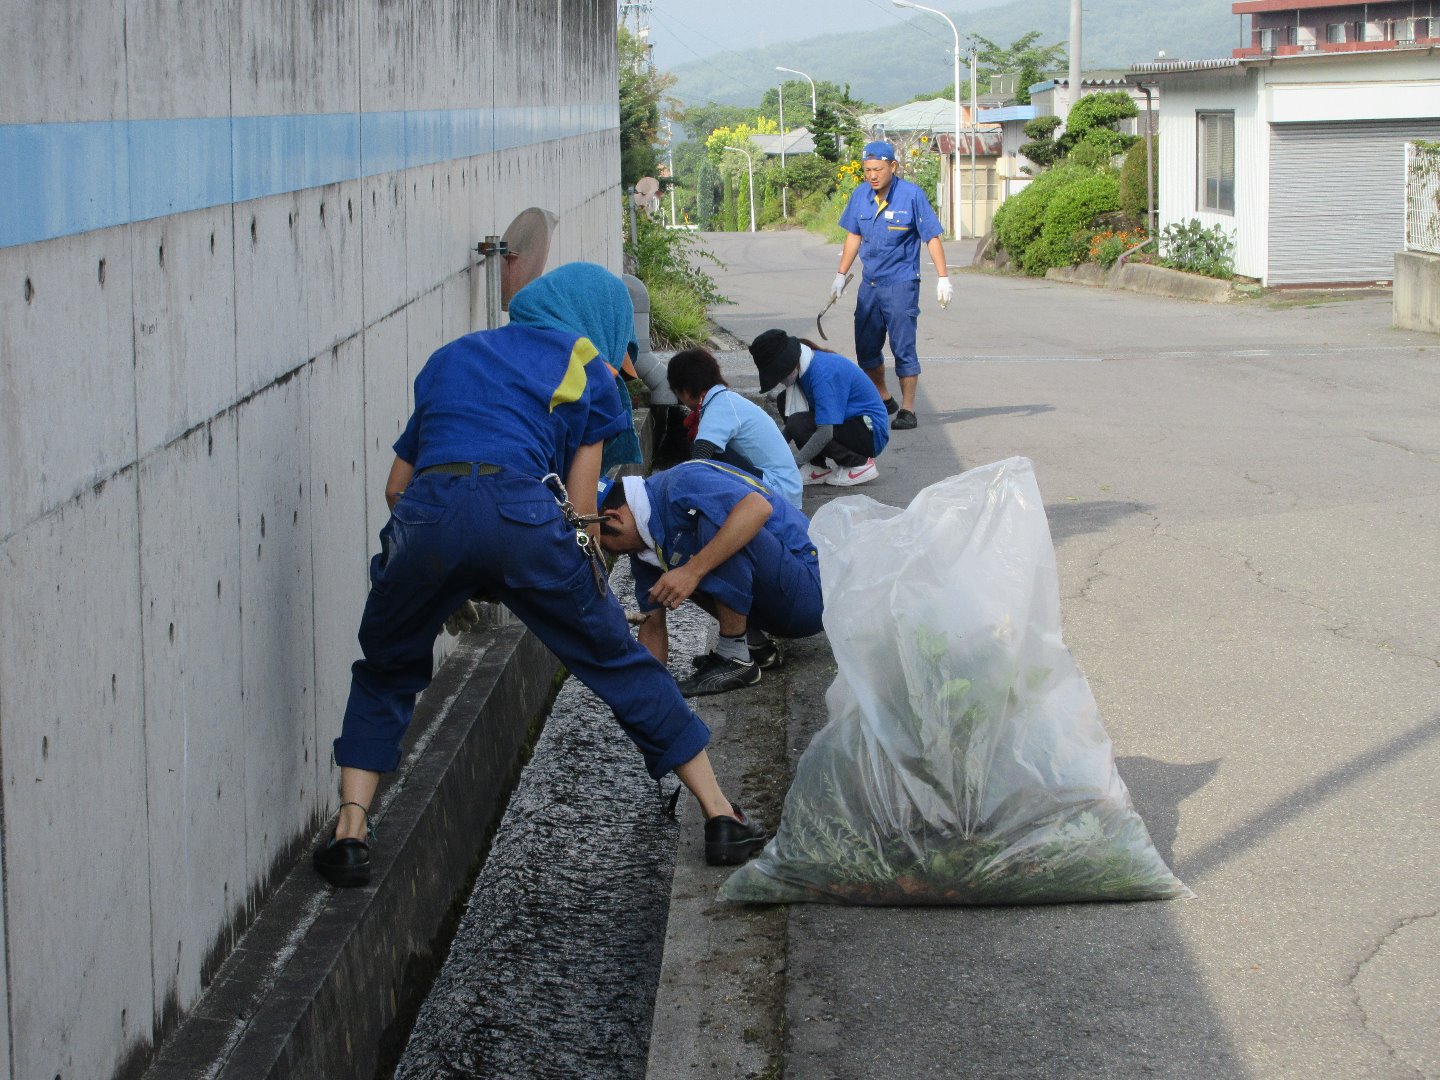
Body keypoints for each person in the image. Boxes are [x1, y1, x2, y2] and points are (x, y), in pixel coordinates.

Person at [312, 263, 767, 888]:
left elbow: (397, 488)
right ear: (599, 320)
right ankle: (720, 815)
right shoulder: (587, 365)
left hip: (427, 516)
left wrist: (448, 575)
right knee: (618, 665)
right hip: (524, 518)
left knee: (385, 669)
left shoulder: (452, 357)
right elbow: (581, 516)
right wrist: (580, 593)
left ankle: (351, 832)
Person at [597, 460, 823, 696]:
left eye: (604, 546)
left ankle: (735, 658)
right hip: (779, 608)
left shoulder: (680, 482)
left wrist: (691, 571)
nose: (611, 553)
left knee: (714, 528)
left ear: (614, 517)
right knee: (677, 571)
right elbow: (652, 625)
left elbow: (757, 508)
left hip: (810, 589)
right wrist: (646, 694)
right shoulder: (643, 552)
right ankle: (754, 645)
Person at [832, 139, 952, 431]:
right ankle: (885, 398)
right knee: (866, 349)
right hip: (869, 285)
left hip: (901, 284)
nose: (872, 175)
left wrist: (943, 277)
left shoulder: (911, 196)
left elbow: (931, 237)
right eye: (867, 170)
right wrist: (840, 275)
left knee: (903, 348)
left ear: (892, 167)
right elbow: (853, 237)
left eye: (878, 169)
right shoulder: (860, 196)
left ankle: (908, 409)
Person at [748, 328, 889, 488]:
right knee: (784, 401)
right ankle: (817, 466)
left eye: (778, 375)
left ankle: (858, 464)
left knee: (798, 422)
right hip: (849, 423)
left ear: (787, 364)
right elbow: (792, 429)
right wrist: (770, 452)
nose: (779, 381)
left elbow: (824, 432)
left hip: (870, 433)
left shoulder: (822, 372)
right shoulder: (804, 366)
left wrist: (793, 466)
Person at [666, 346, 804, 509]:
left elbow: (700, 459)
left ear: (686, 391)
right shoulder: (724, 399)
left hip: (778, 490)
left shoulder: (720, 406)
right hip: (784, 487)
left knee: (706, 462)